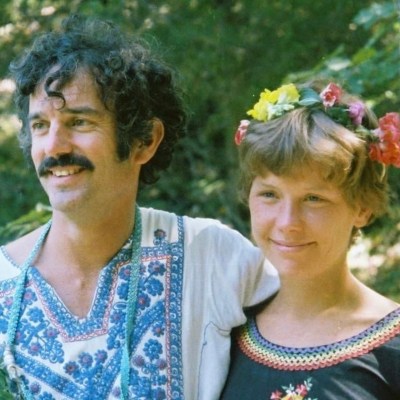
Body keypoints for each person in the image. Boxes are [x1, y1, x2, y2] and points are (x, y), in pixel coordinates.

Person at [0, 15, 279, 400]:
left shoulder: (214, 257)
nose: (54, 147)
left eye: (78, 122)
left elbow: (315, 337)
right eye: (40, 126)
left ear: (145, 140)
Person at [221, 82, 400, 399]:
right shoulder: (223, 331)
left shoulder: (392, 350)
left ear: (362, 207)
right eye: (269, 194)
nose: (287, 222)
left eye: (314, 198)